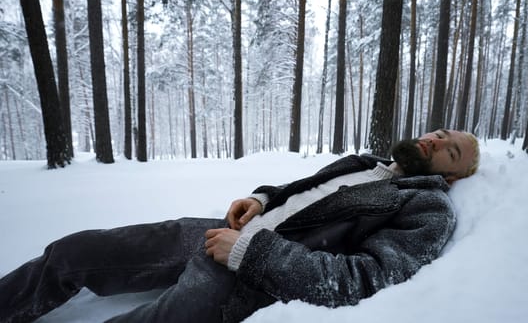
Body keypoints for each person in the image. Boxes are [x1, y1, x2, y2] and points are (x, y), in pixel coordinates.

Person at [0, 129, 479, 323]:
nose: (435, 140)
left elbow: (359, 281)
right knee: (73, 252)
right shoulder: (365, 162)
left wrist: (251, 253)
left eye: (449, 149)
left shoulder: (427, 209)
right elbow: (299, 187)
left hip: (245, 274)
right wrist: (260, 198)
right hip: (218, 232)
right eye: (438, 132)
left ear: (453, 173)